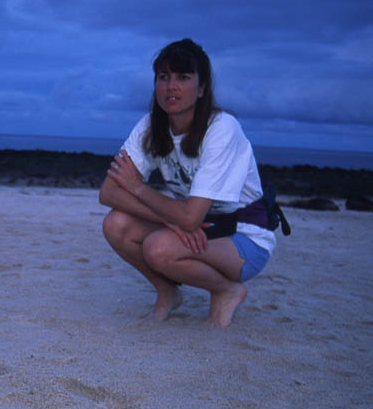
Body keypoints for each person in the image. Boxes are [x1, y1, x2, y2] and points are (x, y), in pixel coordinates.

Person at [99, 38, 276, 327]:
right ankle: (168, 293)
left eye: (183, 77)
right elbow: (108, 193)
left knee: (158, 248)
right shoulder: (150, 125)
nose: (171, 86)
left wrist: (139, 188)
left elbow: (191, 217)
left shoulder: (222, 128)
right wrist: (169, 220)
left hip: (244, 236)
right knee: (115, 224)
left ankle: (226, 291)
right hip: (189, 224)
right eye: (164, 77)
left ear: (202, 88)